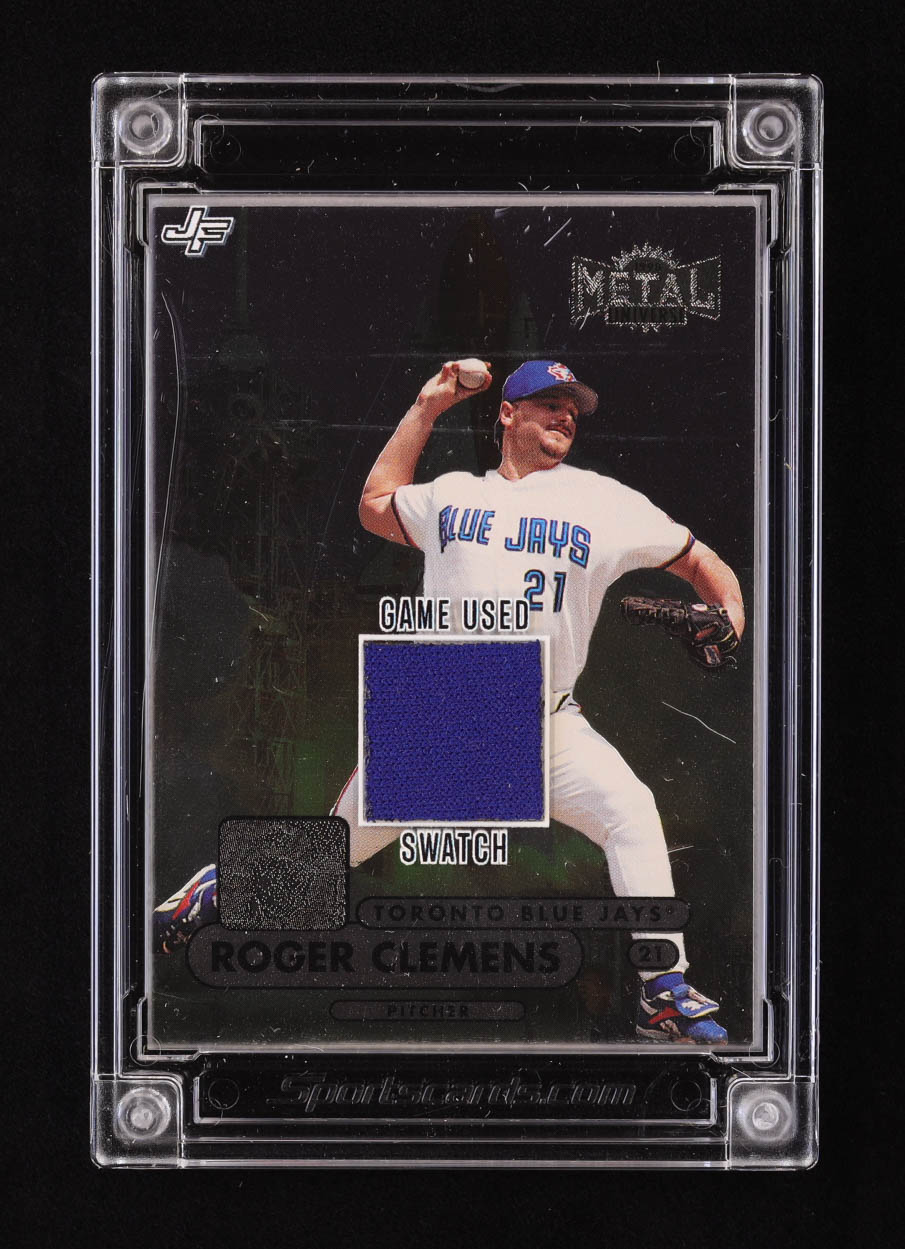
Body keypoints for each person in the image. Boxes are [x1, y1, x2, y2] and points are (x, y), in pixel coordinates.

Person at [156, 359, 745, 1045]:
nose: (564, 414)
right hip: (452, 709)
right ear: (507, 414)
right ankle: (218, 890)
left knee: (630, 811)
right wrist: (427, 404)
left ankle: (662, 991)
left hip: (547, 720)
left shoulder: (605, 500)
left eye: (572, 407)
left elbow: (700, 558)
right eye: (548, 402)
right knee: (330, 859)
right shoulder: (452, 494)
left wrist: (731, 616)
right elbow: (375, 504)